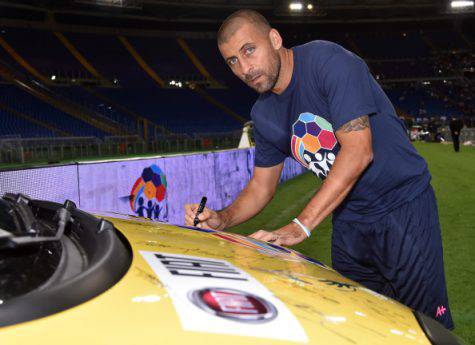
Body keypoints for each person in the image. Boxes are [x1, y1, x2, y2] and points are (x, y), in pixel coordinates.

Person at [185, 9, 454, 329]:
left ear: (274, 39)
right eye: (232, 61)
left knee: (425, 327)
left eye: (249, 51)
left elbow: (358, 152)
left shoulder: (329, 62)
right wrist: (222, 217)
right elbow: (261, 186)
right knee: (360, 326)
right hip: (348, 220)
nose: (244, 68)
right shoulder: (264, 114)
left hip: (402, 207)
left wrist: (301, 225)